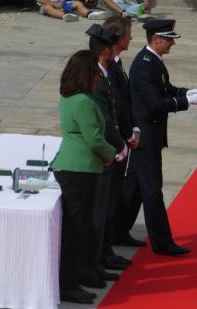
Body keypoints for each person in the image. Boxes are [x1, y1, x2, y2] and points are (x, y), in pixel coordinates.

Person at [128, 19, 197, 256]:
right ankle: (162, 242)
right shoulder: (144, 66)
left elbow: (165, 87)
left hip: (150, 135)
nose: (172, 43)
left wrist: (185, 92)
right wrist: (185, 102)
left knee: (132, 189)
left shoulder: (153, 62)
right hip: (146, 138)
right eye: (169, 39)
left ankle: (116, 230)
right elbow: (155, 103)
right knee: (152, 191)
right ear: (156, 39)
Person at [50, 50, 116, 303]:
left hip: (74, 167)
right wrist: (111, 153)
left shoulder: (70, 98)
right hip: (80, 169)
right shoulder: (84, 102)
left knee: (76, 228)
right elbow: (95, 139)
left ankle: (72, 279)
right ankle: (68, 284)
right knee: (76, 230)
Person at [78, 23, 126, 289]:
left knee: (104, 211)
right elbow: (105, 121)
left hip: (108, 152)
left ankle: (98, 260)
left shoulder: (103, 73)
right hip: (102, 155)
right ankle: (90, 266)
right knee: (96, 215)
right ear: (107, 51)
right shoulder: (95, 78)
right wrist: (120, 145)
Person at [104, 17, 147, 248]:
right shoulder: (109, 66)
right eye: (129, 34)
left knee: (116, 192)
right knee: (110, 195)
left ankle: (115, 236)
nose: (131, 38)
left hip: (122, 137)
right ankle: (108, 241)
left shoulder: (117, 63)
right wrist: (129, 133)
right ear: (120, 38)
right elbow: (118, 105)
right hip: (115, 141)